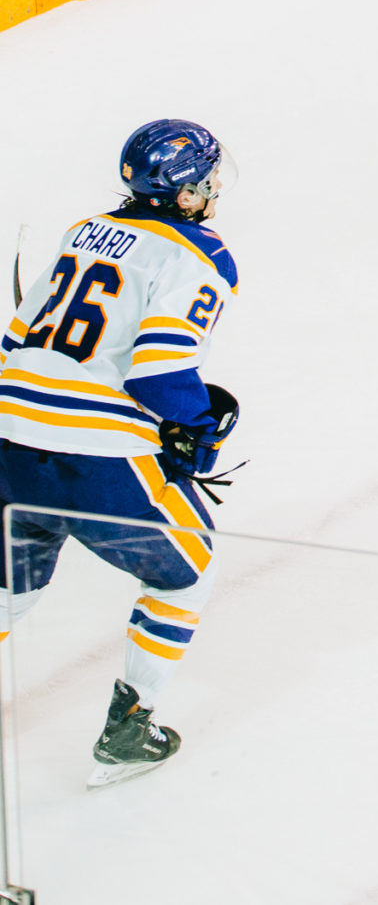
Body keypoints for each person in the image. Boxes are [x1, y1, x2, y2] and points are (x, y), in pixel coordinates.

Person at [1, 119, 241, 788]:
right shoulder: (200, 253)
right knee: (187, 571)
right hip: (97, 457)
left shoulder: (82, 231)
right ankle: (131, 725)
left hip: (11, 438)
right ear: (187, 193)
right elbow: (158, 372)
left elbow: (12, 344)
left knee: (7, 590)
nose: (212, 187)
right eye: (205, 179)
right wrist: (198, 426)